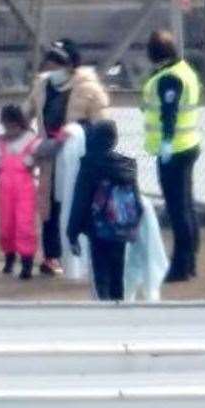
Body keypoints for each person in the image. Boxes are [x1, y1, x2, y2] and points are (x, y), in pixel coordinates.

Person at [24, 38, 110, 276]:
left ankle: (80, 254)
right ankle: (52, 256)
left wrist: (76, 138)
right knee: (49, 206)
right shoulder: (42, 86)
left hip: (77, 159)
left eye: (58, 63)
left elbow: (103, 127)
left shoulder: (89, 89)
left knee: (76, 204)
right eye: (50, 61)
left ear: (71, 65)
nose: (52, 67)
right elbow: (25, 116)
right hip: (49, 156)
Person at [142, 30, 202, 282]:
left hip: (174, 149)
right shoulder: (183, 69)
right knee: (187, 206)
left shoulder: (169, 78)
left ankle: (180, 266)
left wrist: (166, 142)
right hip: (187, 145)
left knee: (178, 209)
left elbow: (169, 112)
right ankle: (190, 262)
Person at [67, 120, 141, 301]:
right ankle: (119, 307)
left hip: (97, 228)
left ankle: (104, 310)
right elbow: (136, 199)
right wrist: (135, 223)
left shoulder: (89, 165)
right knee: (118, 272)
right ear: (114, 139)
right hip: (121, 226)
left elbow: (80, 201)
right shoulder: (128, 164)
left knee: (101, 273)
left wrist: (72, 233)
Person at [0, 104, 40, 280]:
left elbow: (39, 160)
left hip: (25, 189)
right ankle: (9, 259)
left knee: (24, 225)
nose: (10, 130)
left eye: (13, 126)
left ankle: (26, 264)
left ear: (21, 123)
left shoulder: (31, 140)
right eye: (6, 126)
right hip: (5, 189)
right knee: (6, 225)